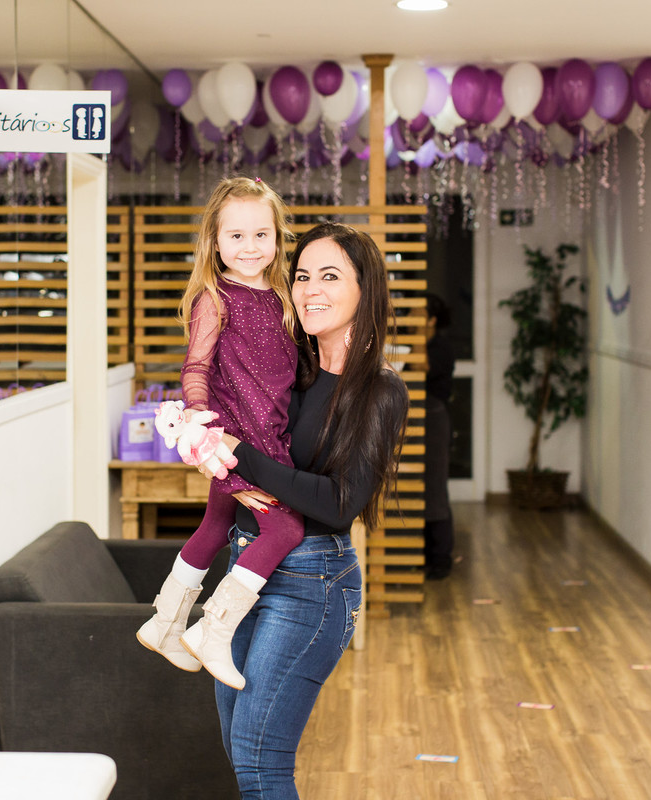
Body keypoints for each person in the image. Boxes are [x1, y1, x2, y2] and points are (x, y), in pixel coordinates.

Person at [207, 222, 409, 798]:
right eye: (301, 276)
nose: (310, 289)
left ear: (364, 291)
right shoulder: (283, 367)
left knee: (259, 760)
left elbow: (339, 502)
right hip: (245, 564)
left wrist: (239, 454)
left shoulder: (379, 391)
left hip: (312, 582)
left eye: (330, 276)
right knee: (238, 748)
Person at [136, 176, 304, 690]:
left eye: (261, 235)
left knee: (215, 525)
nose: (249, 247)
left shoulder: (282, 293)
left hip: (270, 431)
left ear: (277, 237)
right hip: (236, 440)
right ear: (214, 241)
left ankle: (165, 623)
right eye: (236, 236)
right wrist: (202, 428)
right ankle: (214, 628)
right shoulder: (216, 297)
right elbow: (195, 368)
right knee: (286, 528)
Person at [423, 293, 456, 579]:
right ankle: (422, 554)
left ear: (431, 319)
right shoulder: (417, 345)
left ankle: (441, 556)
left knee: (434, 485)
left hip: (434, 419)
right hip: (414, 418)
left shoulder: (440, 348)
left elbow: (425, 370)